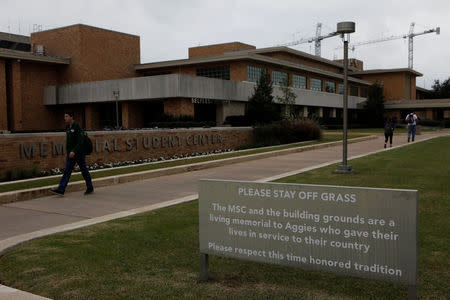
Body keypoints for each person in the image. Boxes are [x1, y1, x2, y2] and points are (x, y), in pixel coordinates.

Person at [50, 112, 93, 196]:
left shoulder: (77, 127)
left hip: (79, 153)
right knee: (67, 171)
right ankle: (61, 189)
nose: (65, 118)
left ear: (71, 117)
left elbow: (80, 141)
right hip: (70, 154)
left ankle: (90, 187)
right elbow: (69, 142)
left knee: (84, 170)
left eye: (66, 116)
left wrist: (74, 151)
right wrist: (69, 151)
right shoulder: (68, 128)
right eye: (64, 116)